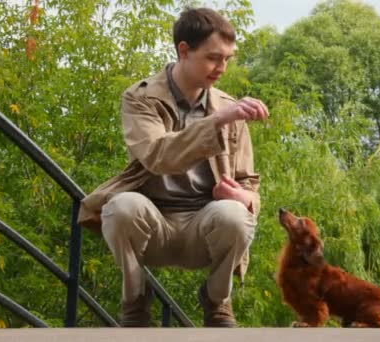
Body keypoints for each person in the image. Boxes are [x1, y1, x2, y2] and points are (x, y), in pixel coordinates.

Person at [76, 7, 269, 327]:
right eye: (213, 57)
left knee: (236, 216)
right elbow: (157, 156)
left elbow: (249, 181)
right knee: (120, 207)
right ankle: (135, 301)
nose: (222, 67)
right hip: (154, 224)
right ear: (184, 50)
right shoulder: (141, 99)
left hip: (204, 226)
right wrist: (217, 120)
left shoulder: (227, 107)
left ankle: (217, 301)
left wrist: (245, 198)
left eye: (228, 59)